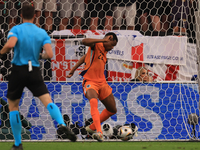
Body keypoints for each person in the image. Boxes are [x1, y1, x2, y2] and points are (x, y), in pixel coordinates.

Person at [0, 5, 76, 150]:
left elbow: (10, 44)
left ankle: (17, 144)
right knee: (47, 101)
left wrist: (1, 52)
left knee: (13, 107)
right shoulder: (41, 32)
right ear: (35, 16)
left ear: (21, 15)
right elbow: (50, 55)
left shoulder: (16, 29)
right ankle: (62, 124)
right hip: (34, 70)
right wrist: (39, 56)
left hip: (18, 70)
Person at [66, 32, 118, 142]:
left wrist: (73, 69)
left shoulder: (104, 52)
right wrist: (104, 40)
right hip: (90, 82)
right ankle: (99, 132)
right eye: (112, 44)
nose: (112, 48)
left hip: (102, 83)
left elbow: (85, 57)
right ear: (109, 38)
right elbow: (84, 41)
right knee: (93, 101)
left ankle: (92, 128)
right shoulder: (97, 44)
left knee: (112, 109)